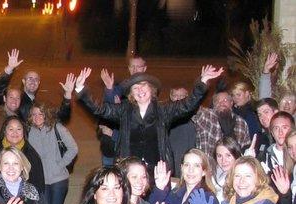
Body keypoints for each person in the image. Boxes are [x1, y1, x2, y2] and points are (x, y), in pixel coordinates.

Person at [75, 65, 223, 171]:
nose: (140, 90)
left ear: (151, 89)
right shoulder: (124, 110)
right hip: (129, 170)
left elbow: (188, 105)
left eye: (143, 86)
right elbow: (100, 109)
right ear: (131, 94)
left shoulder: (163, 110)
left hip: (156, 171)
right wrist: (81, 89)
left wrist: (202, 81)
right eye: (135, 88)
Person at [28, 102, 78, 204]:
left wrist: (60, 164)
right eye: (34, 114)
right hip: (41, 181)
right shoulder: (30, 132)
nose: (37, 117)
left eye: (40, 114)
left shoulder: (57, 128)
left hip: (58, 181)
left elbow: (73, 148)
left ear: (46, 114)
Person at [0, 49, 71, 122]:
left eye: (36, 79)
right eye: (30, 78)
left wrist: (67, 95)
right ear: (23, 81)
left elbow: (62, 117)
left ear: (39, 83)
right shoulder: (17, 100)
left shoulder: (39, 104)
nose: (33, 81)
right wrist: (9, 69)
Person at [192, 90, 251, 159]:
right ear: (214, 104)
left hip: (233, 167)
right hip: (208, 166)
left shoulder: (241, 123)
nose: (221, 103)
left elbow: (246, 149)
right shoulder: (206, 115)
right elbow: (193, 108)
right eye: (218, 101)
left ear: (231, 102)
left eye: (225, 100)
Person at [0, 115, 45, 193]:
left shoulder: (32, 155)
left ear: (23, 131)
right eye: (11, 129)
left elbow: (39, 186)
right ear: (4, 131)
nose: (15, 132)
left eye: (19, 129)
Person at [212, 137, 242, 203]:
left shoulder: (240, 179)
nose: (223, 160)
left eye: (228, 155)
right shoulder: (216, 173)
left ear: (236, 155)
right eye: (219, 156)